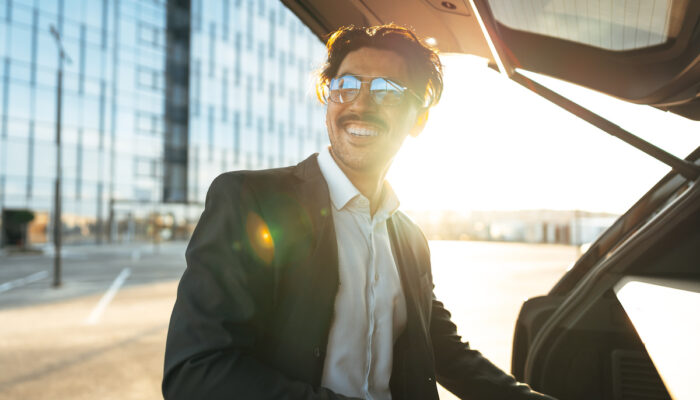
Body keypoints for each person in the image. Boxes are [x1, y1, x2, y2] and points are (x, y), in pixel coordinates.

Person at [163, 24, 556, 400]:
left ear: (418, 118)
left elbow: (443, 349)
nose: (361, 104)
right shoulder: (252, 200)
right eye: (346, 85)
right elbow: (197, 372)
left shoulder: (410, 238)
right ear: (328, 98)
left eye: (388, 90)